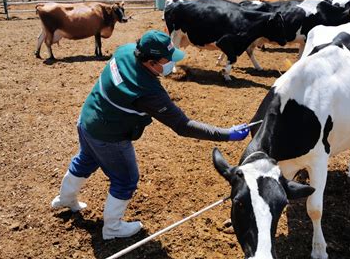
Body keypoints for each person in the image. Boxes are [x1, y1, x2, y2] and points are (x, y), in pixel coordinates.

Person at [51, 30, 250, 240]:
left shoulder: (125, 51)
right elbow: (183, 126)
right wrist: (227, 134)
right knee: (126, 179)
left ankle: (65, 198)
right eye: (167, 60)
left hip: (88, 118)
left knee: (86, 159)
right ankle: (112, 228)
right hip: (109, 135)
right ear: (151, 62)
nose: (172, 64)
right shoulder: (147, 91)